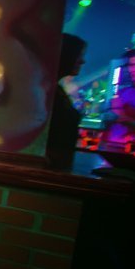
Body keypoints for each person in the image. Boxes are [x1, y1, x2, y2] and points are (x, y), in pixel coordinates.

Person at [48, 33, 87, 169]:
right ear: (66, 54)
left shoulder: (54, 89)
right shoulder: (47, 91)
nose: (82, 61)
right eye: (79, 55)